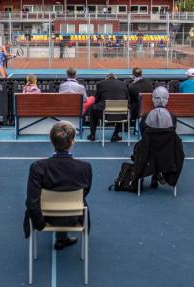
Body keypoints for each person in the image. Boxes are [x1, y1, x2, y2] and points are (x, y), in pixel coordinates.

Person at [23, 121, 92, 250]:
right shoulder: (85, 167)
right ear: (72, 142)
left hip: (46, 216)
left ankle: (62, 239)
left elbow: (32, 201)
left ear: (51, 141)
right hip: (73, 216)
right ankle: (62, 239)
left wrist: (40, 224)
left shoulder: (38, 167)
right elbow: (84, 193)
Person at [134, 86, 183, 189]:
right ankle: (158, 174)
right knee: (160, 150)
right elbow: (172, 133)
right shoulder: (172, 116)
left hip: (148, 150)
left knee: (145, 149)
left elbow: (143, 133)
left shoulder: (146, 116)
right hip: (167, 152)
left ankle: (151, 175)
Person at [87, 73, 129, 142]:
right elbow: (128, 99)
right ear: (115, 78)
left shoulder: (101, 84)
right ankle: (115, 135)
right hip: (121, 114)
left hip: (105, 114)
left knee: (92, 109)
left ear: (107, 78)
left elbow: (96, 99)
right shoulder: (123, 84)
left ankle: (92, 134)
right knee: (122, 109)